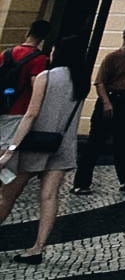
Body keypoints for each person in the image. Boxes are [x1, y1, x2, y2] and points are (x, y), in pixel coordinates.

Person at [0, 34, 89, 264]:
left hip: (35, 145)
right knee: (49, 197)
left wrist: (11, 148)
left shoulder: (46, 77)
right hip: (62, 145)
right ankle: (38, 248)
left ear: (58, 51)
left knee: (8, 195)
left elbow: (31, 114)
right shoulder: (82, 81)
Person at [73, 23, 125, 194]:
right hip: (112, 100)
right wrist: (106, 103)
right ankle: (82, 183)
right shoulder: (112, 57)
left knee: (124, 142)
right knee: (95, 143)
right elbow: (100, 82)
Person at [0, 20, 50, 145]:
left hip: (1, 103)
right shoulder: (39, 59)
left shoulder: (6, 53)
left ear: (28, 32)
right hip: (18, 107)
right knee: (5, 143)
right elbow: (35, 84)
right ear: (44, 37)